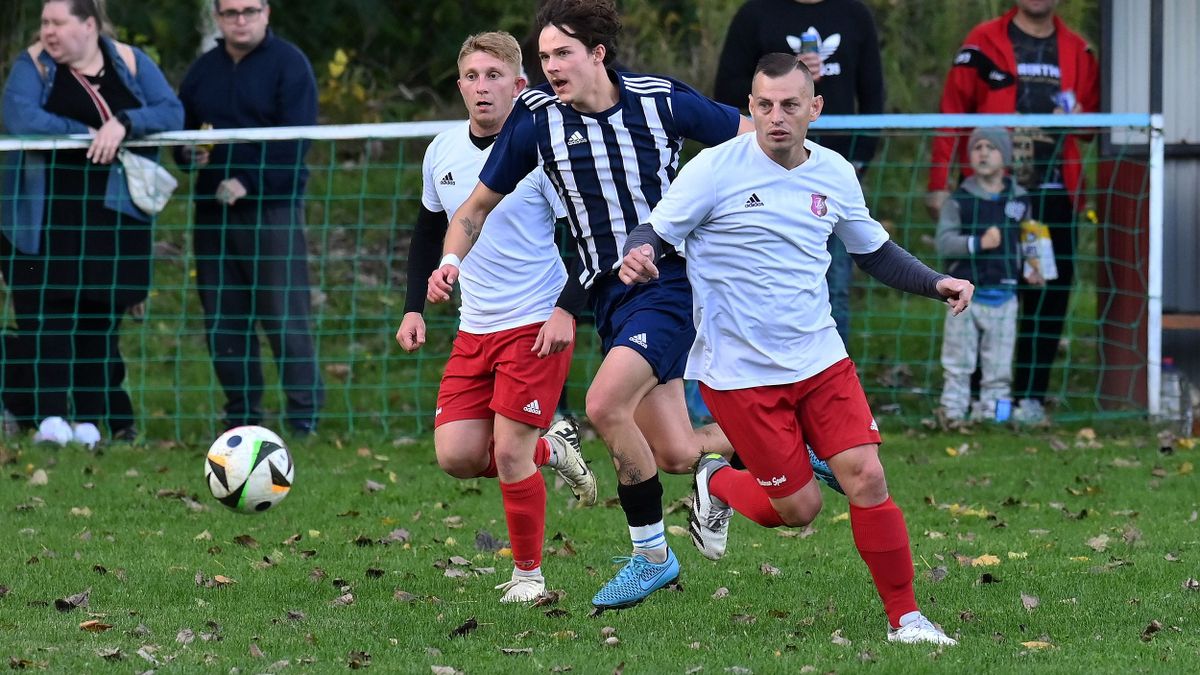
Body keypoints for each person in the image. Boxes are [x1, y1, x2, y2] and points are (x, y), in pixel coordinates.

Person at [428, 0, 823, 611]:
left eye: (563, 54)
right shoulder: (536, 120)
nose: (552, 67)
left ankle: (651, 557)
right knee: (673, 452)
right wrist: (451, 262)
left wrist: (782, 202)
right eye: (544, 57)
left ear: (597, 54)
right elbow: (473, 210)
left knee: (604, 403)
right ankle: (781, 447)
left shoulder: (659, 100)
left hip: (670, 284)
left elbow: (757, 138)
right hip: (609, 296)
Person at [619, 53, 969, 645]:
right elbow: (655, 229)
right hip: (741, 376)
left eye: (789, 105)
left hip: (821, 360)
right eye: (763, 106)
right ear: (749, 108)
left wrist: (936, 282)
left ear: (815, 108)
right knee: (799, 510)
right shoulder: (712, 170)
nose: (776, 117)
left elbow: (874, 251)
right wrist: (640, 252)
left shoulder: (834, 172)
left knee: (867, 476)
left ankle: (906, 619)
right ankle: (717, 482)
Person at [396, 31, 596, 603]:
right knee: (458, 455)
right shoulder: (442, 150)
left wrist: (566, 311)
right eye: (471, 77)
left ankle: (530, 578)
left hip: (536, 321)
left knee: (508, 453)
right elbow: (429, 231)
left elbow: (587, 236)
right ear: (459, 85)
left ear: (519, 85)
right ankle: (552, 449)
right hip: (474, 326)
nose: (481, 88)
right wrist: (414, 305)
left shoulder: (545, 150)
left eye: (493, 76)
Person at [0, 0, 183, 446]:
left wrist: (123, 123)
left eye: (58, 22)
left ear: (88, 25)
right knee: (44, 317)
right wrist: (90, 134)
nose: (48, 31)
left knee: (100, 319)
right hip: (39, 220)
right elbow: (21, 116)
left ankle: (91, 418)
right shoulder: (33, 65)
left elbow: (170, 112)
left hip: (111, 219)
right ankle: (49, 418)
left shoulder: (130, 61)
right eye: (44, 22)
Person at [926, 0, 1099, 424]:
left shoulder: (1080, 51)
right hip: (991, 196)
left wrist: (1072, 120)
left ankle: (1029, 399)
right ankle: (978, 400)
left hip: (1054, 197)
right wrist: (938, 182)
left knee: (1048, 295)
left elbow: (1093, 128)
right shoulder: (982, 43)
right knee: (985, 290)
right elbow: (952, 113)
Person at [176, 0, 324, 436]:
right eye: (231, 13)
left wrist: (249, 182)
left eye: (249, 11)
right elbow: (183, 139)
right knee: (223, 318)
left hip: (271, 212)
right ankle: (241, 416)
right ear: (218, 18)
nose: (240, 20)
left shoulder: (289, 65)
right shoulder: (202, 70)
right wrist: (187, 155)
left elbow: (297, 141)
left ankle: (303, 418)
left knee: (284, 317)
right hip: (212, 216)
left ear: (267, 13)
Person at [714, 0, 885, 350]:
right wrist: (789, 82)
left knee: (833, 280)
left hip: (833, 171)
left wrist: (860, 158)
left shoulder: (854, 13)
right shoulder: (756, 13)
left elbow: (873, 94)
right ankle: (753, 371)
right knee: (753, 276)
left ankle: (831, 376)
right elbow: (726, 90)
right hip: (761, 173)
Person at [936, 127, 1039, 422]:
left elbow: (1029, 237)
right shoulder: (960, 200)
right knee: (958, 361)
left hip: (1005, 294)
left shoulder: (1019, 198)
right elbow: (945, 243)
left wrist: (1033, 267)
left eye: (990, 147)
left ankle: (994, 415)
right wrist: (978, 243)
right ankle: (953, 413)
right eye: (977, 147)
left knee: (999, 364)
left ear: (1004, 155)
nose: (982, 152)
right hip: (965, 296)